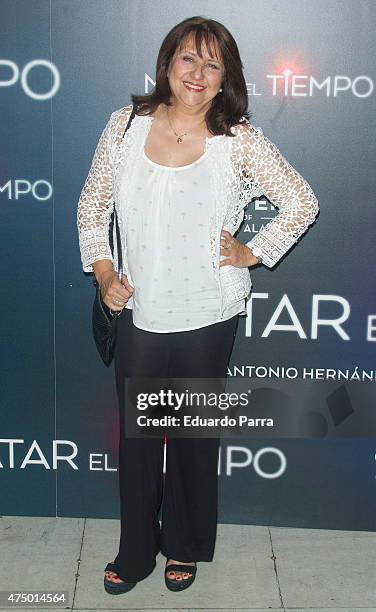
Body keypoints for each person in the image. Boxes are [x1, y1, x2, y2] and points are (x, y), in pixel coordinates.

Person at [76, 15, 319, 595]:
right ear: (167, 63)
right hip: (139, 309)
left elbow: (300, 201)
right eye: (189, 58)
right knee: (138, 442)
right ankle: (135, 551)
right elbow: (92, 204)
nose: (198, 73)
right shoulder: (123, 127)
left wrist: (252, 252)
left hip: (209, 313)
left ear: (224, 79)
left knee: (191, 439)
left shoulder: (240, 142)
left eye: (213, 65)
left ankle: (183, 545)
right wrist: (105, 271)